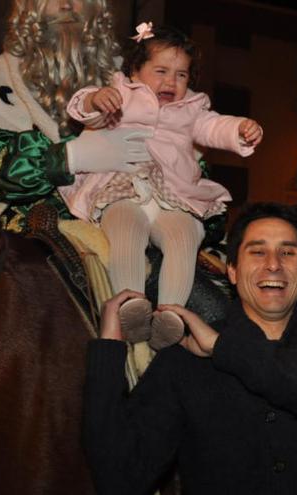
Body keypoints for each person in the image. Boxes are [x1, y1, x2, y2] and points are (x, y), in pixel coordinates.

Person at [83, 202, 297, 494]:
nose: (274, 264)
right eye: (257, 251)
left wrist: (222, 347)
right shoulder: (184, 360)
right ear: (232, 271)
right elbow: (120, 477)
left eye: (288, 252)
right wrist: (108, 351)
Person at [59, 22, 263, 350]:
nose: (171, 81)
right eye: (161, 71)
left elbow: (213, 127)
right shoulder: (121, 92)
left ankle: (171, 315)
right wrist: (97, 99)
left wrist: (240, 129)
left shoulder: (192, 107)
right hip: (124, 186)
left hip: (174, 196)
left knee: (185, 236)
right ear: (135, 71)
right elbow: (83, 109)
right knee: (126, 227)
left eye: (181, 75)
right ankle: (130, 305)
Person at [0, 0, 152, 233]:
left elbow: (177, 133)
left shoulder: (131, 80)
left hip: (119, 222)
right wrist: (68, 158)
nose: (67, 5)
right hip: (24, 235)